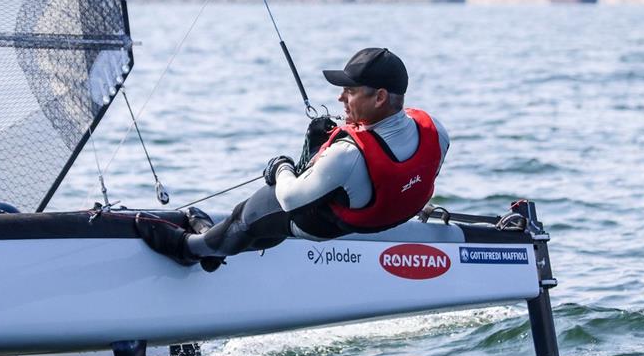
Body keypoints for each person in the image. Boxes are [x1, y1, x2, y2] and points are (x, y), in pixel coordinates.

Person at [136, 47, 450, 271]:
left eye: (350, 91)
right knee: (270, 222)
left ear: (380, 97)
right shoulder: (436, 129)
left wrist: (281, 167)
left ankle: (191, 249)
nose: (340, 97)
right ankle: (218, 238)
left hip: (322, 225)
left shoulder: (347, 155)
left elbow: (289, 199)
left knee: (252, 213)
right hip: (381, 216)